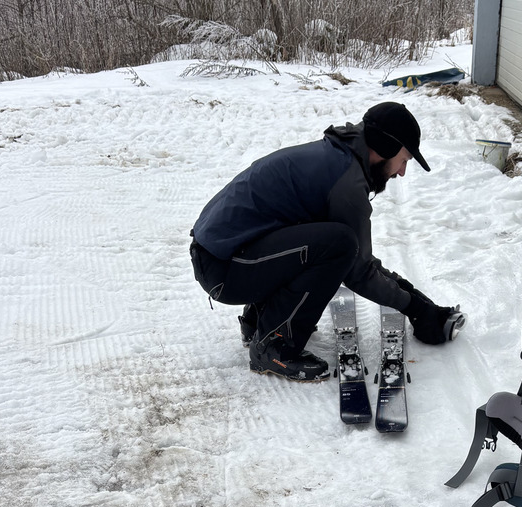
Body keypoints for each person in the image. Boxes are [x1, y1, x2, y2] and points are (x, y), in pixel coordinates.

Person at [190, 101, 463, 380]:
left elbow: (359, 262)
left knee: (321, 240)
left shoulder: (337, 158)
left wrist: (414, 298)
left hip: (225, 257)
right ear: (386, 146)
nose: (402, 172)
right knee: (338, 244)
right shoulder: (346, 182)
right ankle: (274, 345)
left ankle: (259, 320)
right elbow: (358, 271)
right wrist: (415, 308)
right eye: (404, 160)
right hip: (226, 267)